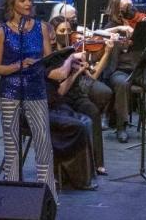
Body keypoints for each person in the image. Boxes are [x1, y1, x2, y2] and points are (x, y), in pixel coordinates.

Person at [0, 0, 71, 202]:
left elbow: (48, 60)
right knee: (12, 145)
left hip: (36, 89)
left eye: (29, 0)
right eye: (23, 0)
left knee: (43, 143)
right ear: (12, 4)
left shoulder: (41, 28)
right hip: (10, 91)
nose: (28, 4)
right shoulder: (2, 31)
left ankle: (47, 197)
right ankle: (11, 196)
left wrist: (64, 59)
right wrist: (20, 65)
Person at [49, 16, 115, 176]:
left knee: (93, 112)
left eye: (68, 30)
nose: (66, 34)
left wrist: (107, 52)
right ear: (54, 33)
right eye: (62, 31)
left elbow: (92, 77)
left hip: (77, 95)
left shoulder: (75, 51)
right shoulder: (52, 56)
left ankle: (98, 163)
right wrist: (74, 69)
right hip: (60, 98)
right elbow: (60, 87)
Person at [102, 0, 146, 143]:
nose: (130, 8)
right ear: (118, 9)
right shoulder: (112, 25)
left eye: (131, 5)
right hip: (120, 70)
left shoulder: (141, 23)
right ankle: (121, 126)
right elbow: (100, 34)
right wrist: (119, 29)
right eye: (125, 6)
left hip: (142, 69)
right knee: (122, 85)